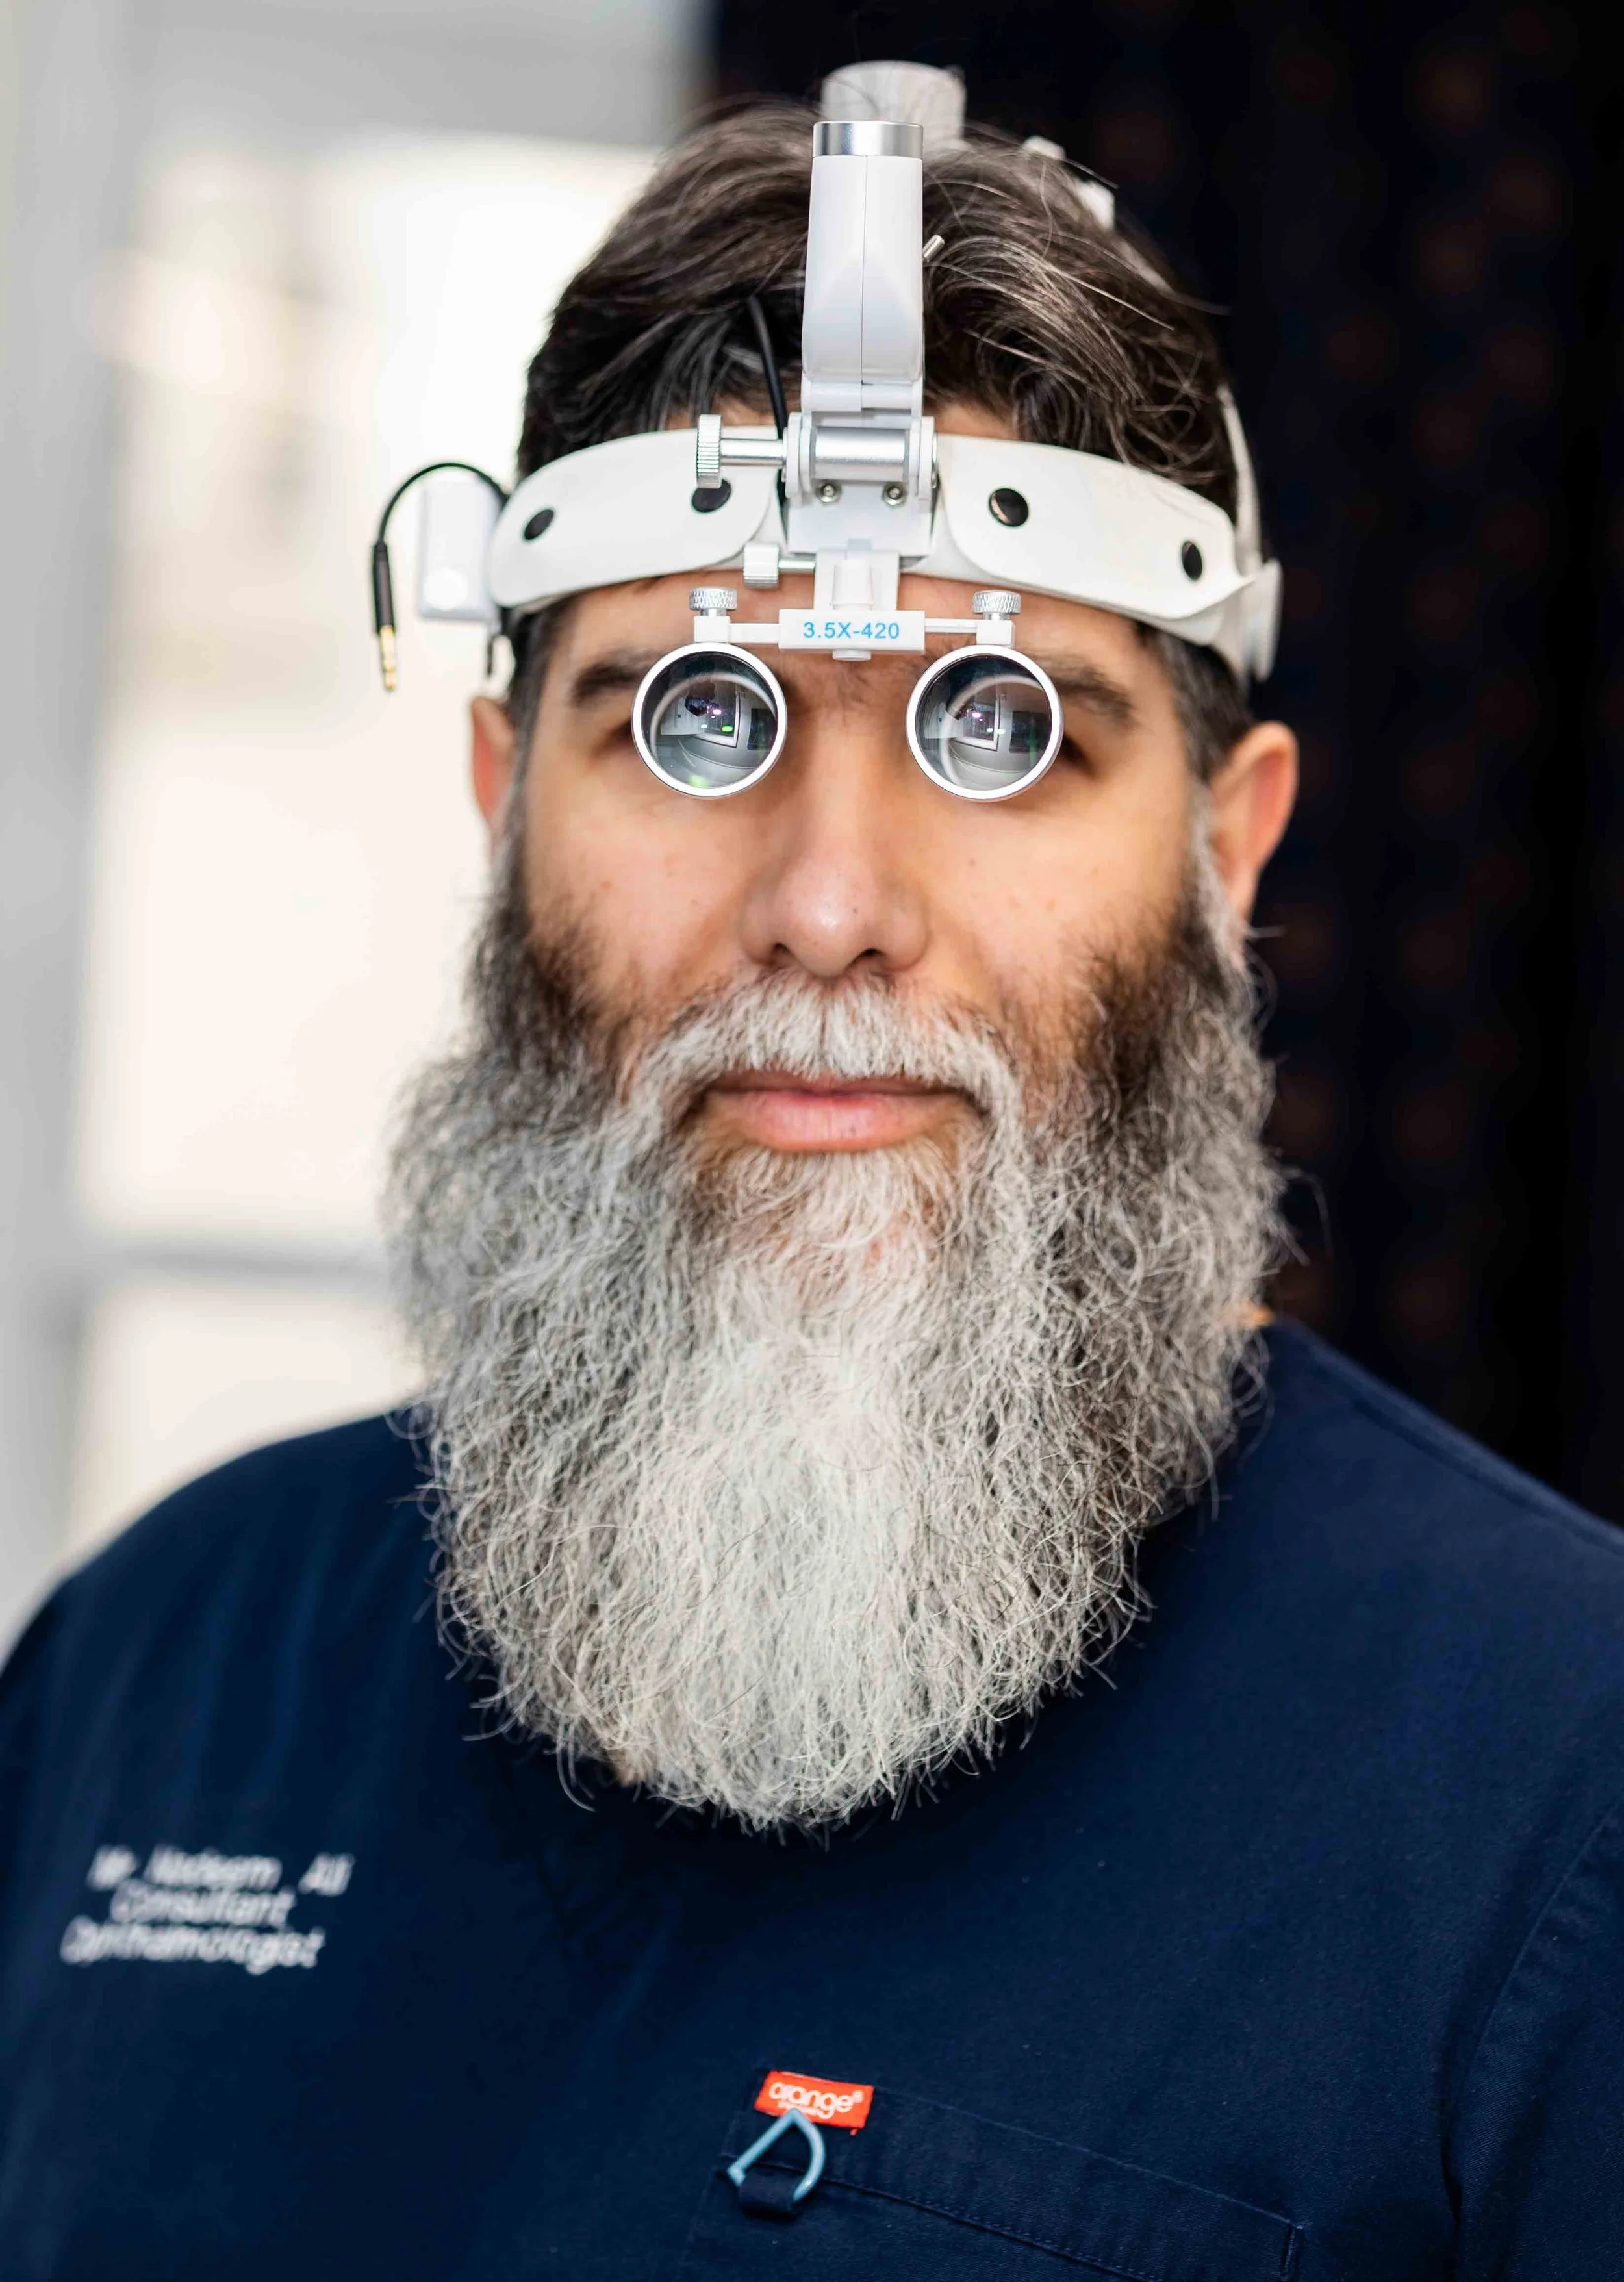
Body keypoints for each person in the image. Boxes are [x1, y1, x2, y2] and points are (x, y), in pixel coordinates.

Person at [2, 75, 1622, 2281]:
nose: (832, 905)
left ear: (1225, 852)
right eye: (695, 720)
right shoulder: (156, 1667)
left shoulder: (1553, 1790)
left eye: (1002, 731)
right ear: (502, 801)